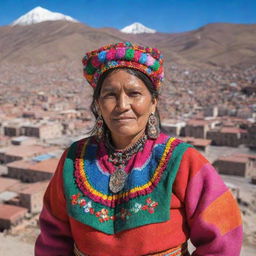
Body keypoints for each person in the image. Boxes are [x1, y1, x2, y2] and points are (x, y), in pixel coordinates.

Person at [35, 42, 243, 256]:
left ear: (153, 102)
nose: (122, 105)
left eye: (134, 93)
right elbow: (52, 239)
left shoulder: (183, 161)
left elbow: (223, 239)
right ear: (97, 104)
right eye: (110, 95)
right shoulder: (74, 161)